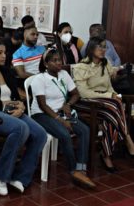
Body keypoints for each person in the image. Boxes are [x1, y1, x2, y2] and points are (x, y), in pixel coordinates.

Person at [0, 40, 47, 195]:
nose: (3, 56)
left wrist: (20, 105)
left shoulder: (7, 72)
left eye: (4, 52)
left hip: (11, 111)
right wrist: (7, 105)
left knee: (40, 134)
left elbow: (14, 95)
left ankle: (21, 177)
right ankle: (1, 175)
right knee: (21, 128)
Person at [31, 48, 96, 188]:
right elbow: (42, 105)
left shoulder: (64, 74)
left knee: (84, 130)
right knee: (64, 134)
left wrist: (68, 104)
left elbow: (76, 94)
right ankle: (73, 170)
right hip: (42, 115)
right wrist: (61, 121)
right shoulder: (39, 79)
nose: (58, 63)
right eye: (54, 60)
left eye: (59, 59)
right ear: (46, 63)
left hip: (62, 113)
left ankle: (81, 168)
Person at [73, 36, 134, 172]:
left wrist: (113, 95)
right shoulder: (81, 66)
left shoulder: (105, 64)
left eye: (104, 47)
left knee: (110, 116)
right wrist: (109, 96)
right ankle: (128, 138)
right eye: (99, 46)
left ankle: (106, 156)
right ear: (91, 48)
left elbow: (109, 87)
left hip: (105, 104)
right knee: (114, 106)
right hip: (87, 102)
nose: (103, 50)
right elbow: (83, 93)